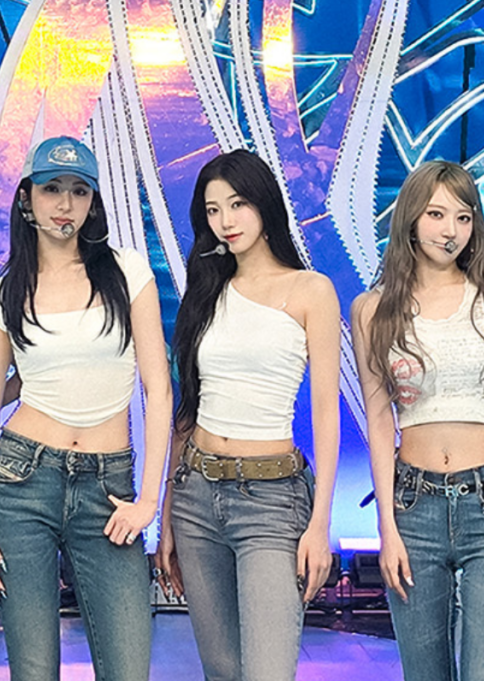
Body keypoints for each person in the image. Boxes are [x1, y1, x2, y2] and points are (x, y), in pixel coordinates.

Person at [0, 136, 172, 680]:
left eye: (79, 191)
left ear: (93, 202)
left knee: (128, 667)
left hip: (109, 487)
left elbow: (159, 389)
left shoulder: (127, 272)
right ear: (26, 198)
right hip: (22, 482)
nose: (65, 203)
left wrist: (149, 499)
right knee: (33, 670)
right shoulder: (5, 291)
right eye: (52, 188)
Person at [351, 160, 484, 680]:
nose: (450, 230)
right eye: (436, 214)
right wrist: (387, 527)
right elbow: (379, 420)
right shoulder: (372, 310)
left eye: (464, 217)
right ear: (410, 219)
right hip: (413, 505)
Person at [155, 149, 339, 680]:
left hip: (272, 500)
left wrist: (320, 523)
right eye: (213, 210)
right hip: (196, 495)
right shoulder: (205, 291)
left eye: (237, 204)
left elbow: (326, 413)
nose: (225, 221)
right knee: (221, 669)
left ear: (264, 204)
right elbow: (187, 410)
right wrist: (167, 515)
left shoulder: (310, 290)